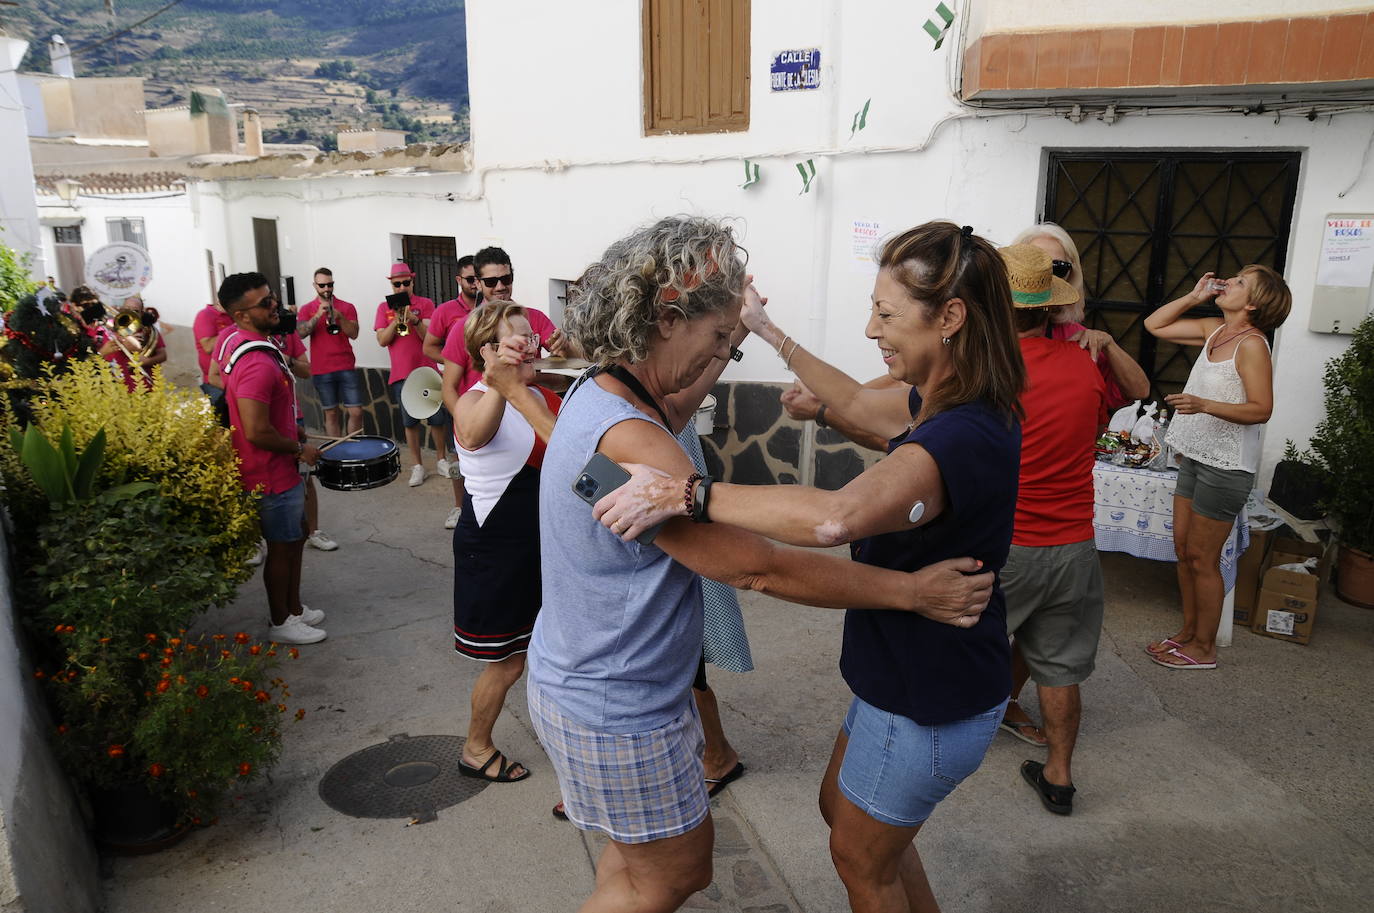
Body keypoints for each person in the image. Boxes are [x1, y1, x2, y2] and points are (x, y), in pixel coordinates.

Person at [533, 217, 1001, 913]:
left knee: (635, 867)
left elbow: (672, 401)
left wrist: (742, 333)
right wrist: (908, 591)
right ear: (666, 319)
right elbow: (759, 566)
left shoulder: (602, 394)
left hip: (585, 677)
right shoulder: (634, 443)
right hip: (614, 699)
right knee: (668, 873)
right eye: (718, 337)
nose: (725, 351)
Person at [993, 244, 1108, 816]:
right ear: (1048, 308)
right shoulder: (1085, 366)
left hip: (1008, 543)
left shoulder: (991, 373)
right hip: (1074, 545)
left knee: (969, 643)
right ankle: (1059, 777)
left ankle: (944, 748)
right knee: (1060, 666)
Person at [1144, 265, 1292, 670]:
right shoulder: (1213, 328)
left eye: (1241, 282)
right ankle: (1188, 634)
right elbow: (1154, 324)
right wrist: (1194, 296)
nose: (1230, 281)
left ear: (1253, 304)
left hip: (1226, 467)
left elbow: (1262, 408)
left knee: (1202, 559)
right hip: (1194, 455)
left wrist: (1204, 404)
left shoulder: (1252, 345)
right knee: (1183, 551)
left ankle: (1204, 649)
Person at [451, 303, 562, 783]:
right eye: (516, 340)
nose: (530, 345)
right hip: (496, 548)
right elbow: (472, 434)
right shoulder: (476, 400)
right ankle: (476, 749)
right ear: (488, 352)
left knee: (540, 652)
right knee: (507, 662)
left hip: (530, 543)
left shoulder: (531, 391)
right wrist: (500, 377)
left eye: (530, 336)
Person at [215, 272, 327, 645]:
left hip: (281, 468)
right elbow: (255, 430)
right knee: (281, 548)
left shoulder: (256, 345)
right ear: (241, 315)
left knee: (294, 541)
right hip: (269, 473)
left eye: (273, 298)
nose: (274, 305)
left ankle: (293, 608)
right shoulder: (256, 362)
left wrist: (293, 431)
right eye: (264, 303)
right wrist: (298, 449)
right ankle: (281, 621)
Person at [1011, 223, 1148, 410]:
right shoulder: (987, 329)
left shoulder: (1077, 338)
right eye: (1036, 266)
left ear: (1070, 275)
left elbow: (1139, 391)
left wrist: (1108, 344)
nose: (1046, 278)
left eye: (1057, 268)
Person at [375, 262, 455, 489]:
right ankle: (417, 466)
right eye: (397, 284)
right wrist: (397, 319)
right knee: (409, 422)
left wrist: (415, 319)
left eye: (405, 283)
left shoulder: (426, 304)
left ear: (412, 281)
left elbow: (431, 337)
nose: (402, 287)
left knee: (437, 419)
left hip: (427, 371)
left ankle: (441, 459)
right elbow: (382, 340)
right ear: (391, 284)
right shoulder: (384, 308)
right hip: (402, 374)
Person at [297, 267, 363, 438]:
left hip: (346, 365)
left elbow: (354, 334)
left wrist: (340, 317)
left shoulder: (346, 307)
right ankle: (337, 454)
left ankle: (354, 450)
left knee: (356, 412)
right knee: (331, 413)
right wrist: (318, 315)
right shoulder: (306, 309)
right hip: (322, 368)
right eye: (322, 285)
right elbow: (301, 333)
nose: (326, 289)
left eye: (330, 284)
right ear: (315, 285)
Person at [98, 296, 167, 391]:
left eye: (135, 310)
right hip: (115, 387)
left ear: (141, 313)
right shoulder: (109, 327)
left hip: (143, 386)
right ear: (121, 310)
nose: (130, 313)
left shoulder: (149, 331)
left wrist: (147, 361)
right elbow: (97, 353)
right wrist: (126, 342)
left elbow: (163, 355)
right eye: (126, 309)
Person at [194, 297, 235, 423]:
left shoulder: (232, 315)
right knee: (225, 426)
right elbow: (208, 347)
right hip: (216, 383)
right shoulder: (205, 315)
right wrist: (235, 327)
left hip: (236, 380)